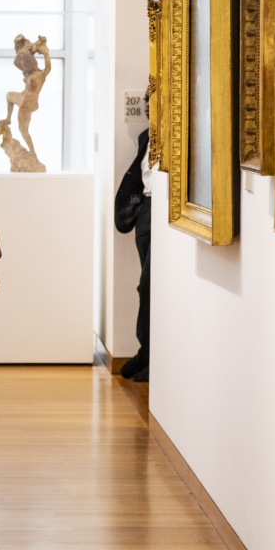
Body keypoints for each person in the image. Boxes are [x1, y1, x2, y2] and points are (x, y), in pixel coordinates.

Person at [115, 125, 151, 382]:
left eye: (152, 100)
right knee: (145, 286)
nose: (148, 106)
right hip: (146, 211)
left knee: (149, 285)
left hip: (163, 208)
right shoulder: (146, 136)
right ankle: (146, 352)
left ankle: (152, 355)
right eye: (146, 102)